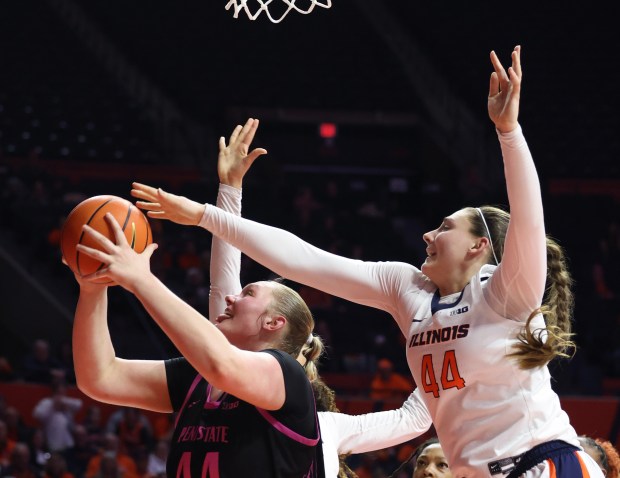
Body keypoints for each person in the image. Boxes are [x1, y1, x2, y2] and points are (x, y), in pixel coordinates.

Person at [130, 47, 604, 477]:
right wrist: (206, 214)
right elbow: (304, 260)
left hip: (543, 463)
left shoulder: (505, 293)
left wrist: (508, 132)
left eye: (444, 227)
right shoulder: (408, 288)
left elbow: (528, 216)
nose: (428, 234)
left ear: (480, 248)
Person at [133, 118, 435, 478]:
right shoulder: (236, 379)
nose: (233, 304)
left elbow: (223, 290)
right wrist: (229, 190)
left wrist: (451, 352)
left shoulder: (323, 423)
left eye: (249, 297)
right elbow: (225, 292)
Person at [69, 119, 324, 477]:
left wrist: (142, 278)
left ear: (274, 322)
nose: (232, 298)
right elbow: (100, 377)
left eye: (249, 293)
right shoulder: (198, 378)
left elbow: (223, 362)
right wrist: (92, 287)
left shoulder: (287, 377)